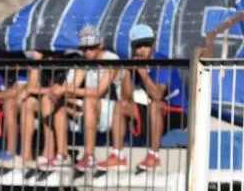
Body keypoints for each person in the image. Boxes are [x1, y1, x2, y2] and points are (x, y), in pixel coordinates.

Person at [104, 24, 187, 172]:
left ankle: (154, 156)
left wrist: (142, 73)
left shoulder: (161, 62)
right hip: (156, 112)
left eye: (146, 45)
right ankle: (117, 155)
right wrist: (129, 73)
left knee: (156, 104)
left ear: (153, 45)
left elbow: (157, 95)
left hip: (178, 112)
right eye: (138, 46)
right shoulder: (136, 65)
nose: (142, 50)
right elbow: (127, 97)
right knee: (120, 106)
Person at [52, 27, 120, 173]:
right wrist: (58, 91)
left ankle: (89, 156)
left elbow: (99, 91)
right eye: (84, 49)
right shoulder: (83, 61)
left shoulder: (111, 59)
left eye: (91, 48)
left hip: (113, 110)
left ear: (100, 45)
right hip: (92, 107)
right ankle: (62, 154)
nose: (87, 52)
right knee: (54, 102)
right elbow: (72, 86)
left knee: (90, 100)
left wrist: (67, 90)